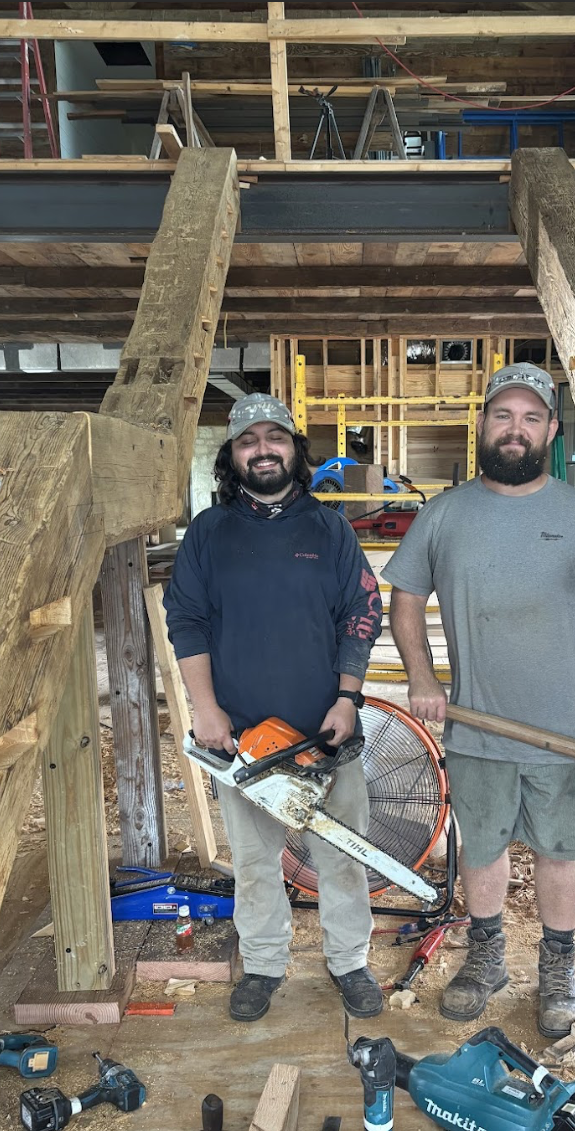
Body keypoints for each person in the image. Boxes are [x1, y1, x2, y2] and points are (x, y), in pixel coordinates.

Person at [383, 364, 575, 1038]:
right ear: (483, 424)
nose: (514, 429)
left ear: (550, 430)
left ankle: (558, 967)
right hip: (477, 732)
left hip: (565, 735)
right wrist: (423, 679)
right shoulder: (445, 514)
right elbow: (405, 601)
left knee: (559, 853)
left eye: (530, 418)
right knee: (483, 850)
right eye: (502, 416)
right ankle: (487, 958)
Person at [163, 393, 384, 1023]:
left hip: (327, 732)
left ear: (294, 448)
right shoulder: (210, 533)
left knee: (343, 854)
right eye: (248, 440)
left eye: (275, 437)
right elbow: (186, 621)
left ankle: (349, 961)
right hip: (244, 741)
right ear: (233, 456)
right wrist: (205, 711)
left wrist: (347, 698)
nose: (263, 449)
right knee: (257, 862)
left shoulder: (330, 529)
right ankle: (262, 963)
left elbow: (361, 616)